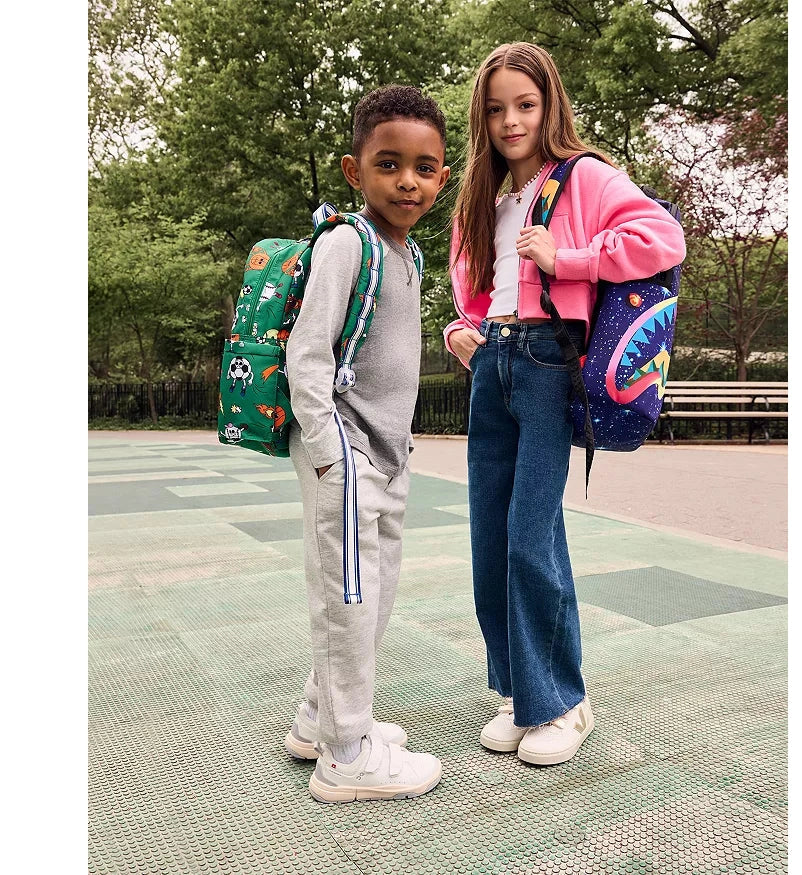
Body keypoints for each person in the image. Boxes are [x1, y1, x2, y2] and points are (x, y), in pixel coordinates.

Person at [444, 43, 686, 766]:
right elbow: (474, 287)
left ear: (549, 105)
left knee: (531, 535)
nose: (510, 121)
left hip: (551, 364)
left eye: (525, 104)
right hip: (493, 362)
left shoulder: (583, 176)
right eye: (496, 109)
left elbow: (662, 237)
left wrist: (567, 259)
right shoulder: (482, 196)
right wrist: (461, 330)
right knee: (490, 537)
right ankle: (521, 693)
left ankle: (563, 702)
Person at [283, 85, 450, 802]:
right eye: (389, 164)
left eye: (424, 168)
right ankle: (346, 755)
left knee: (372, 596)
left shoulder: (405, 253)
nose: (407, 181)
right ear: (355, 171)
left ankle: (318, 718)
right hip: (346, 455)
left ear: (442, 177)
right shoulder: (348, 244)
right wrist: (330, 455)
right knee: (347, 600)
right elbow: (308, 356)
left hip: (387, 456)